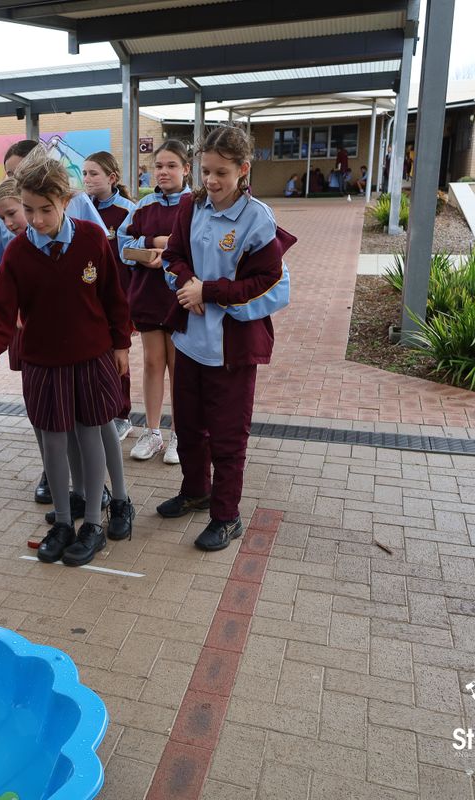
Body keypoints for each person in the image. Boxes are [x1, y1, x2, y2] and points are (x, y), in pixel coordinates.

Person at [0, 149, 132, 567]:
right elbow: (0, 316)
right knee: (53, 443)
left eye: (45, 209)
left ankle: (92, 523)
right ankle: (62, 522)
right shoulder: (18, 253)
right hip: (42, 362)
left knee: (91, 434)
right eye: (28, 209)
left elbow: (113, 297)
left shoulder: (92, 239)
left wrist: (121, 344)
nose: (36, 219)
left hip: (91, 358)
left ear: (65, 201)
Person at [159, 125, 294, 551]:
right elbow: (174, 256)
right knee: (187, 427)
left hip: (231, 352)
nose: (211, 181)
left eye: (221, 173)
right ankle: (195, 492)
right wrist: (188, 283)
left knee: (227, 438)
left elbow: (267, 279)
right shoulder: (191, 206)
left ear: (243, 170)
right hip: (190, 343)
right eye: (206, 171)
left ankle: (226, 516)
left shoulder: (257, 218)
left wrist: (209, 291)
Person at [0, 137, 108, 506]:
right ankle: (56, 479)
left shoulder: (84, 225)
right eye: (11, 175)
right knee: (46, 414)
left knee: (87, 422)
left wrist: (116, 341)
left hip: (83, 344)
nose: (33, 219)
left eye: (22, 172)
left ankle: (94, 492)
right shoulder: (14, 237)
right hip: (34, 337)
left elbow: (104, 281)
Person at [117, 139, 192, 466]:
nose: (163, 172)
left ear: (186, 169)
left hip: (180, 299)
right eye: (158, 166)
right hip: (147, 296)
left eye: (171, 165)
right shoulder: (143, 206)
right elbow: (123, 245)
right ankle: (152, 432)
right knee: (151, 363)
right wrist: (152, 244)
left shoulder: (195, 204)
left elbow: (198, 246)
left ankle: (179, 434)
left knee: (178, 368)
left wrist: (170, 252)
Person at [82, 150, 137, 441]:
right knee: (93, 355)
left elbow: (134, 256)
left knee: (118, 355)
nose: (87, 179)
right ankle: (97, 410)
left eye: (93, 173)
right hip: (89, 295)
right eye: (84, 173)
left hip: (119, 297)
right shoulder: (81, 206)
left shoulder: (129, 211)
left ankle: (122, 414)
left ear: (111, 177)